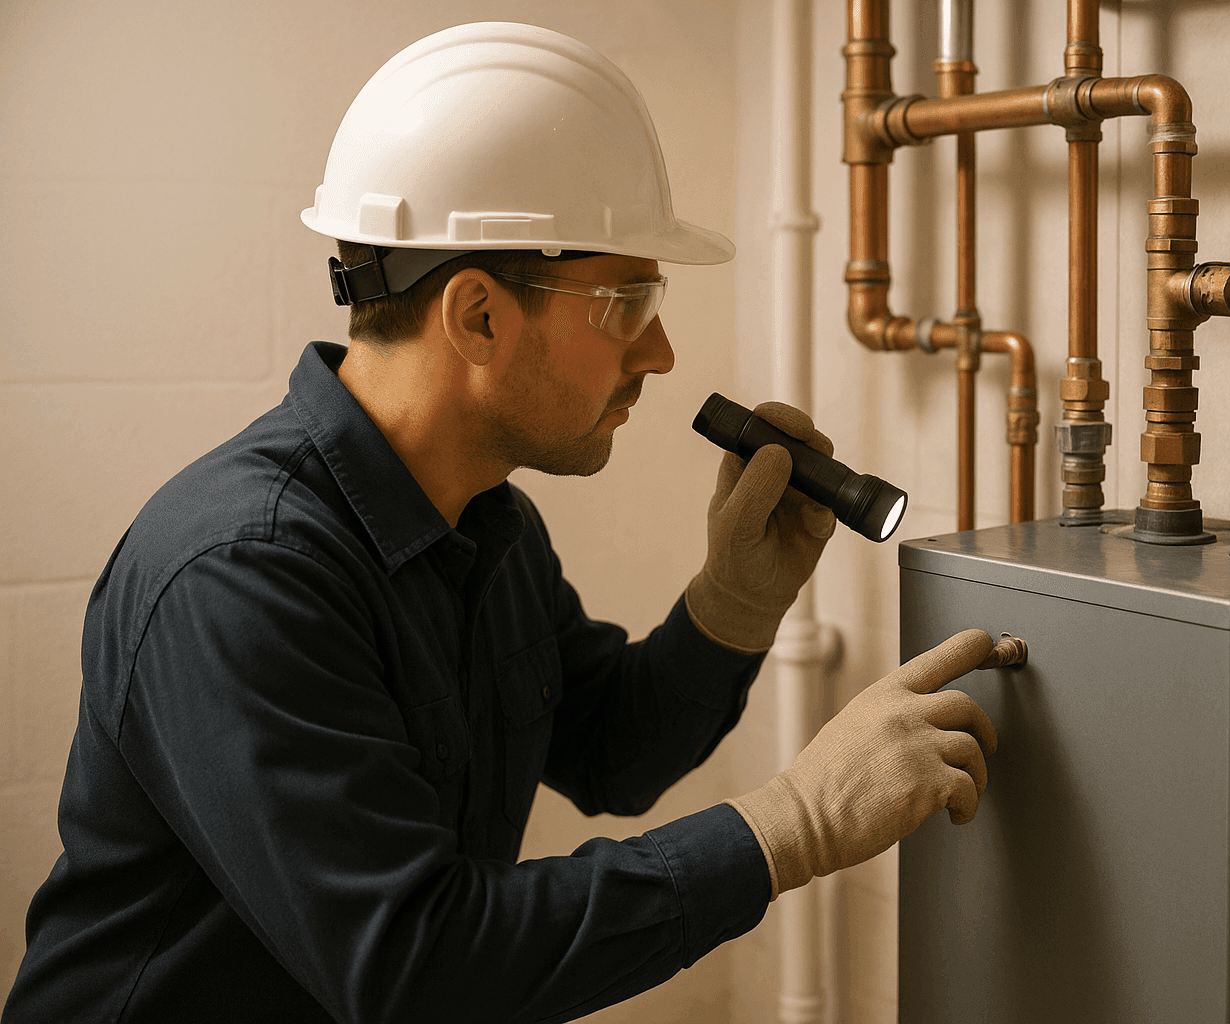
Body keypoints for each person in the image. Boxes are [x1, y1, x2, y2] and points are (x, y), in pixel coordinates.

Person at [2, 23, 997, 1024]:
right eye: (626, 300)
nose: (657, 352)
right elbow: (414, 963)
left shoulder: (488, 523)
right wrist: (794, 825)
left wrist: (733, 602)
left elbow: (613, 749)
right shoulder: (238, 574)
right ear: (478, 316)